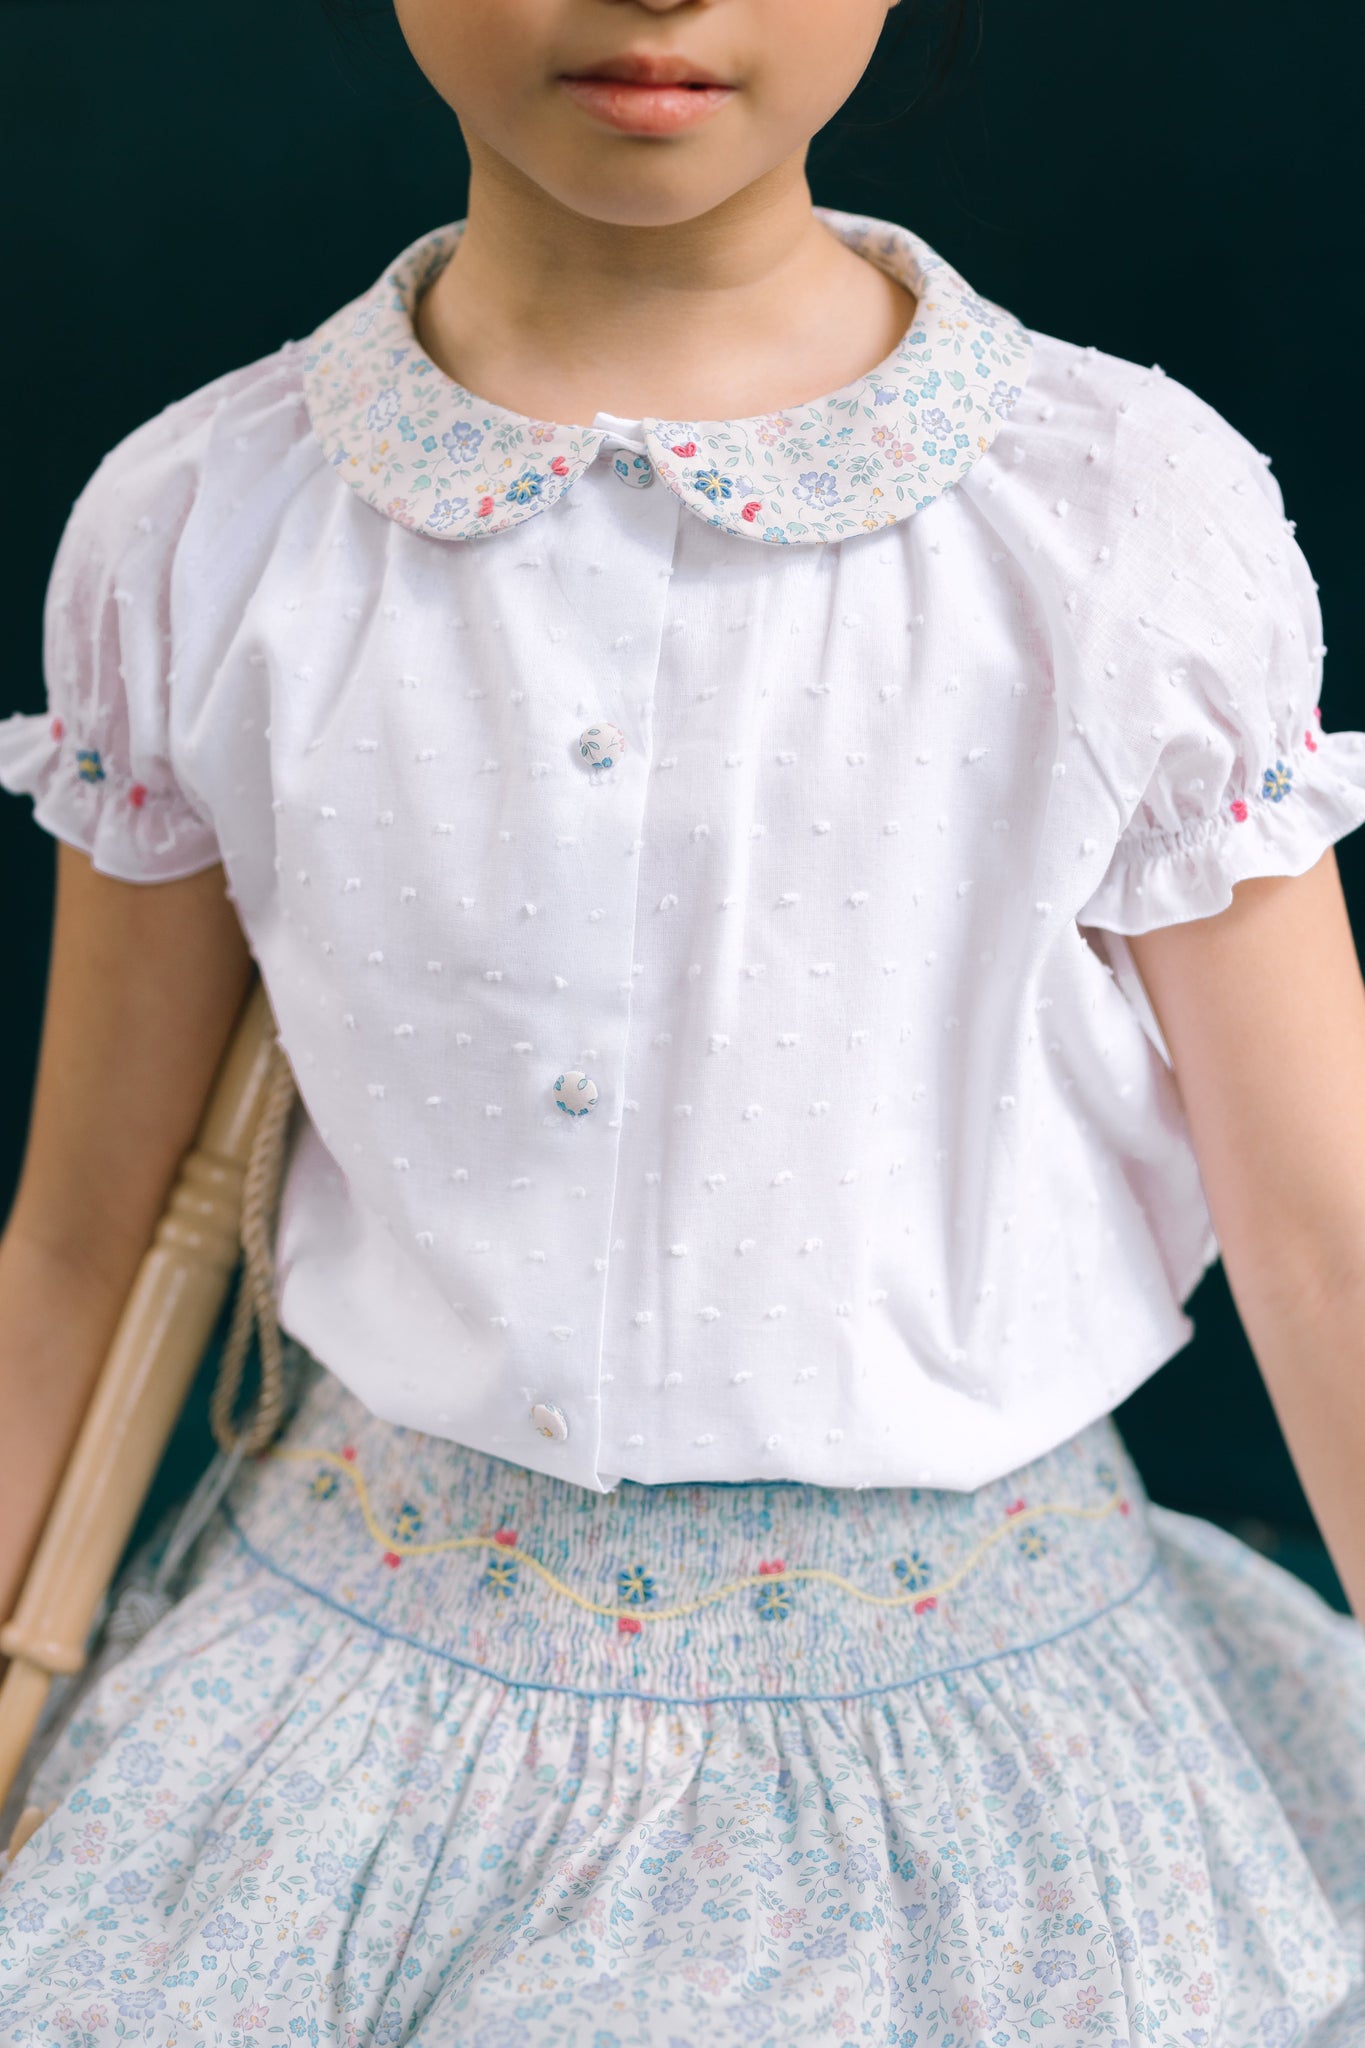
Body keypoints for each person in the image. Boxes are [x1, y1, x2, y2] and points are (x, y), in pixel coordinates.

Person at [2, 0, 1364, 2039]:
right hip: (337, 1733)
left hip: (989, 1783)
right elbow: (80, 1243)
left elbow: (1325, 1241)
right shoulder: (204, 527)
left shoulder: (1117, 525)